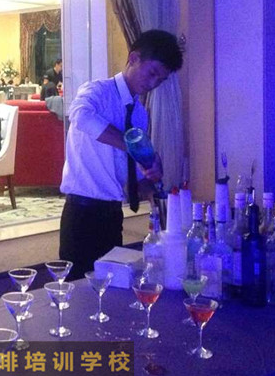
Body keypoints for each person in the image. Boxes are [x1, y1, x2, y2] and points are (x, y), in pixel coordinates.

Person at [59, 29, 183, 279]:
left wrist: (151, 181)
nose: (152, 84)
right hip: (81, 214)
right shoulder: (97, 92)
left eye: (160, 80)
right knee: (78, 291)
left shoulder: (139, 114)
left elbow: (132, 175)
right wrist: (131, 145)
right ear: (133, 58)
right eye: (152, 73)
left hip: (113, 215)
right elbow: (79, 115)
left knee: (111, 287)